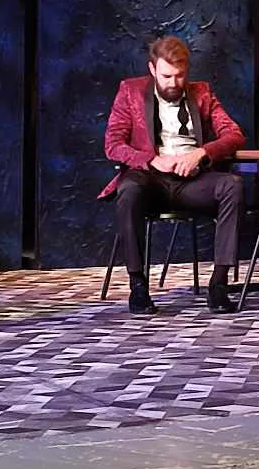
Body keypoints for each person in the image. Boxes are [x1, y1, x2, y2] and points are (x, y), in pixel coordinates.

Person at [100, 35, 246, 315]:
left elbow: (234, 135)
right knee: (128, 190)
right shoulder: (130, 91)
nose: (173, 83)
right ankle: (138, 284)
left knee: (232, 185)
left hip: (191, 181)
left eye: (179, 76)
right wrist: (153, 160)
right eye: (166, 76)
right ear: (152, 69)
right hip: (150, 178)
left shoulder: (201, 92)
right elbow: (113, 145)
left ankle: (219, 284)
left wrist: (201, 153)